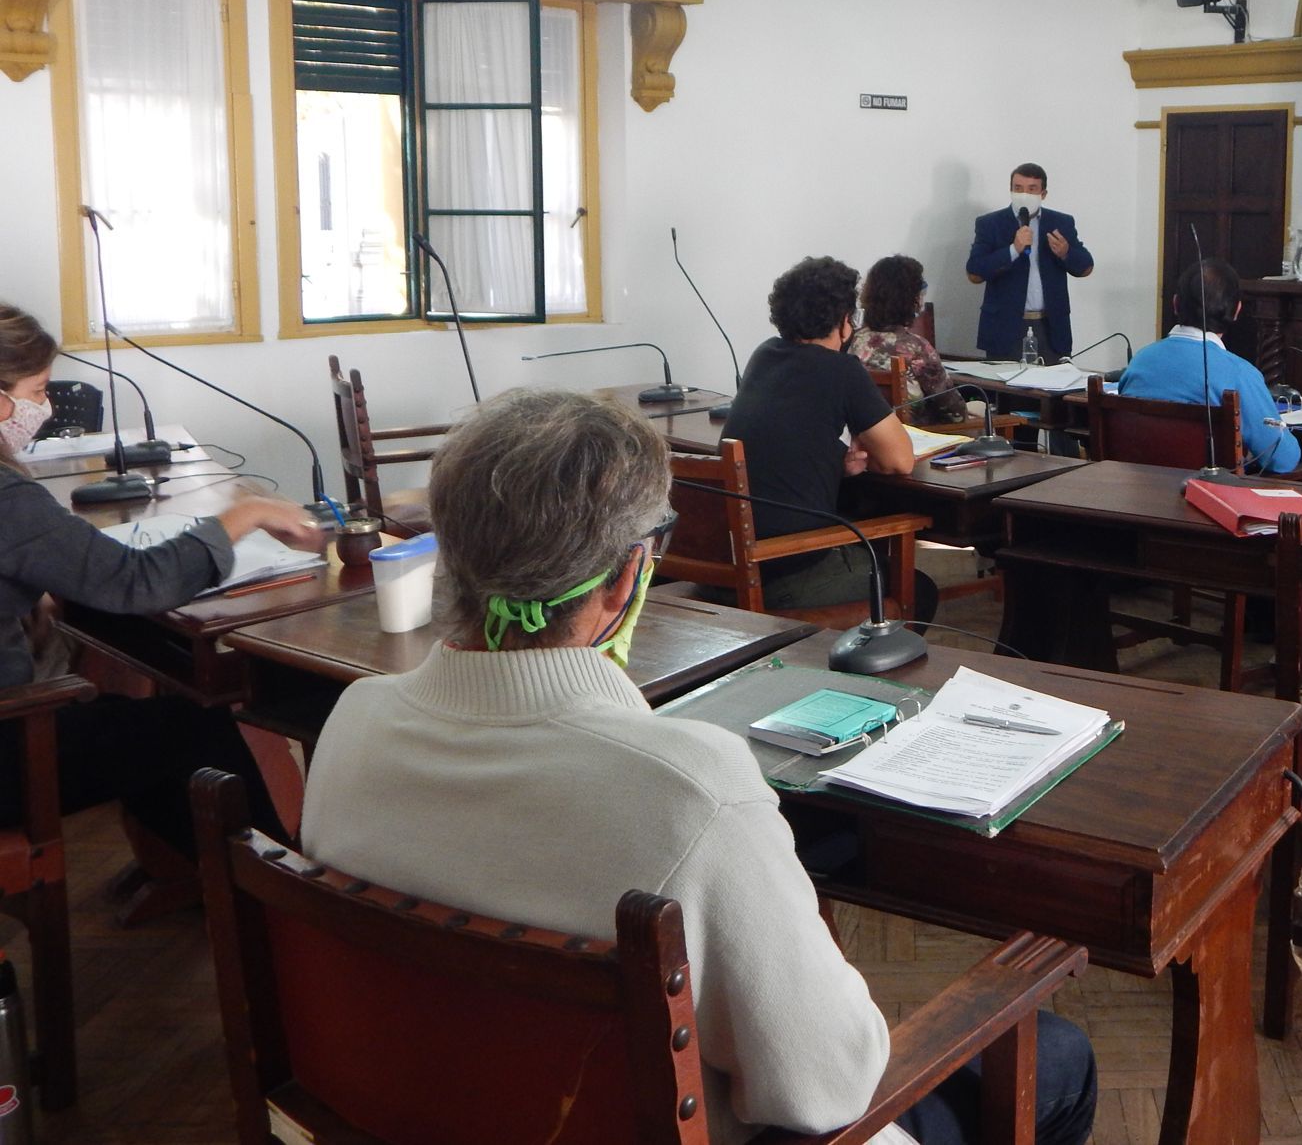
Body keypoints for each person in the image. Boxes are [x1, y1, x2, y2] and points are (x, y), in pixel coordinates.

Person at [300, 388, 1096, 1145]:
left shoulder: (351, 723)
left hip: (435, 1115)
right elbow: (828, 1087)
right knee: (1058, 1056)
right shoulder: (693, 792)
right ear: (627, 577)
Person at [0, 303, 316, 856]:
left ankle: (198, 878)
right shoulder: (8, 498)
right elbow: (136, 581)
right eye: (37, 392)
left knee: (137, 724)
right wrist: (245, 514)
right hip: (9, 745)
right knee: (194, 728)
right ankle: (274, 887)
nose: (43, 409)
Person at [722, 257, 937, 622]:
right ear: (844, 321)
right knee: (919, 590)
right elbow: (899, 460)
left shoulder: (764, 356)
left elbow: (787, 433)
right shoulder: (840, 369)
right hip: (786, 571)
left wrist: (836, 461)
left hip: (733, 566)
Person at [1120, 258, 1299, 474]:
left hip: (1137, 489)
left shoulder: (1139, 361)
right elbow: (1282, 460)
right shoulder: (1240, 373)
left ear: (1175, 303)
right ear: (1237, 310)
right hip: (1207, 492)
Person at [966, 162, 1094, 360]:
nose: (1024, 194)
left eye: (1031, 189)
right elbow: (974, 272)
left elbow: (1086, 267)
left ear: (1043, 194)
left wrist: (1065, 253)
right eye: (1018, 188)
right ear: (1010, 190)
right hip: (1005, 328)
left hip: (1051, 328)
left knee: (1054, 379)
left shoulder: (1061, 222)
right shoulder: (990, 224)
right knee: (1004, 381)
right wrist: (1013, 250)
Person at [850, 255, 969, 426]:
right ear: (911, 298)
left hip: (865, 436)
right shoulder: (916, 348)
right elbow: (955, 412)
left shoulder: (852, 341)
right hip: (916, 436)